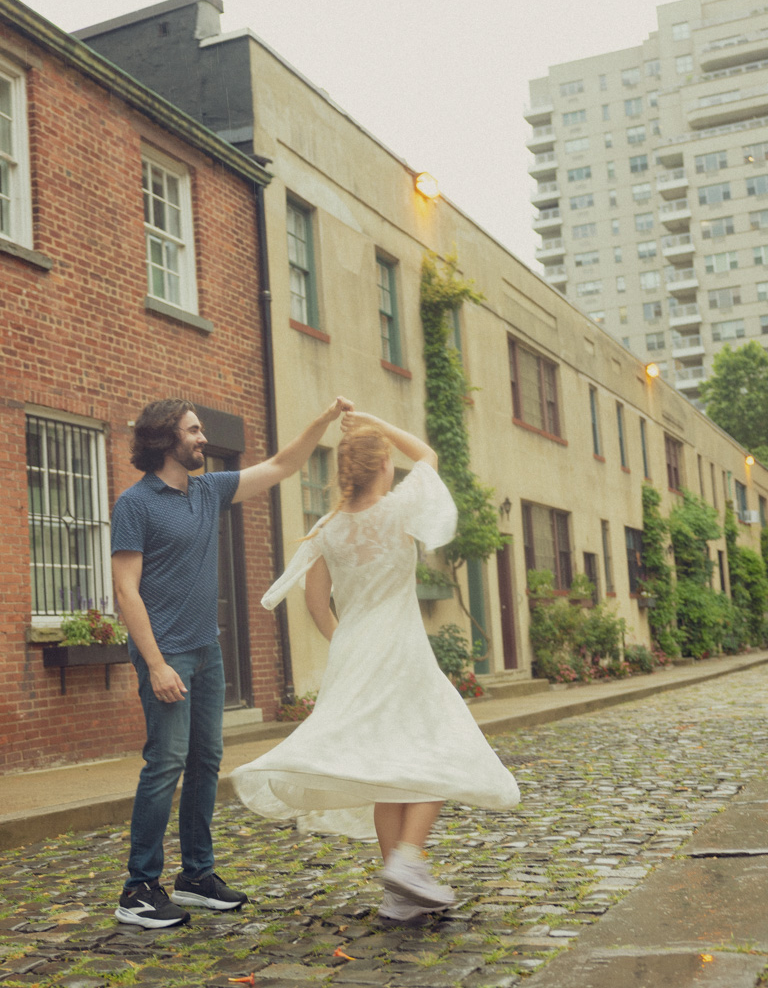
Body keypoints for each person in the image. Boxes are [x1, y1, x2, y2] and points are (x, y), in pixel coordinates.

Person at [232, 412, 519, 921]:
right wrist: (375, 421)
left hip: (355, 652)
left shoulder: (327, 530)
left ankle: (398, 894)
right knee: (442, 747)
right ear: (385, 464)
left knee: (389, 767)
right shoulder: (399, 510)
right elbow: (427, 455)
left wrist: (349, 643)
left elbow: (317, 603)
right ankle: (407, 860)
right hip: (402, 651)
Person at [111, 395, 352, 929]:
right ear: (166, 438)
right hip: (166, 654)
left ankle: (196, 875)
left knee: (205, 761)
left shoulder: (209, 490)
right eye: (193, 430)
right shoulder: (135, 504)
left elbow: (283, 465)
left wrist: (324, 417)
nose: (203, 438)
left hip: (206, 649)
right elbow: (126, 590)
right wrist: (156, 664)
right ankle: (139, 888)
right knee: (166, 763)